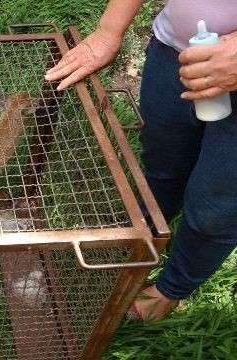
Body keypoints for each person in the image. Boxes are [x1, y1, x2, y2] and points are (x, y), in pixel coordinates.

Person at [45, 0, 237, 321]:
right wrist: (109, 30)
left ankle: (171, 289)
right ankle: (142, 236)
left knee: (214, 209)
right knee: (163, 165)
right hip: (173, 51)